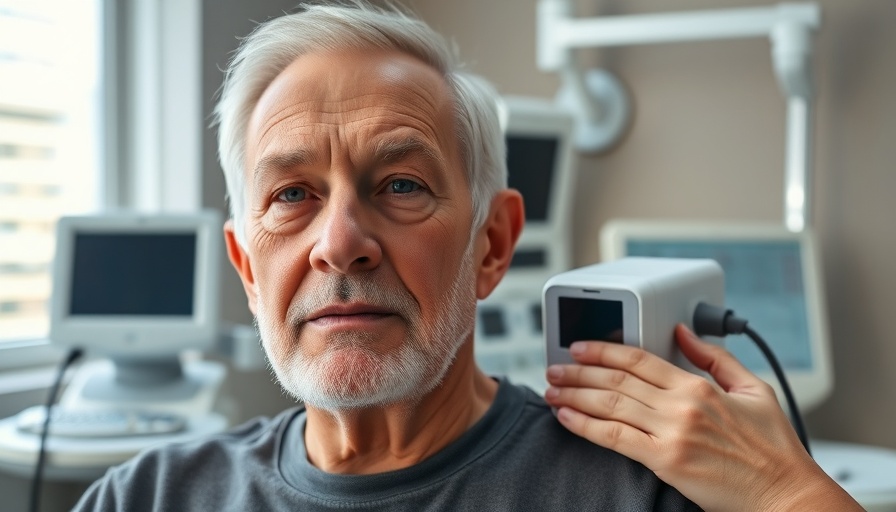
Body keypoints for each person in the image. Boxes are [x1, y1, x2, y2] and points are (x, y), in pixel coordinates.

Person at [74, 2, 862, 510]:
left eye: (402, 184)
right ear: (247, 269)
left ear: (492, 245)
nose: (341, 243)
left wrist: (785, 490)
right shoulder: (142, 498)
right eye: (291, 195)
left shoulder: (640, 489)